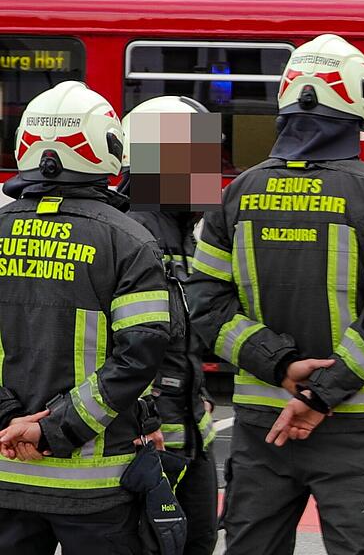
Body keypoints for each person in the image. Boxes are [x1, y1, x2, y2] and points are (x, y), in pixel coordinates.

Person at [186, 34, 364, 555]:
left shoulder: (237, 193)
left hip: (260, 422)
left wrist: (281, 365)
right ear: (360, 105)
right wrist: (323, 393)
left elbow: (204, 303)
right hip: (351, 421)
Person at [0, 81, 170, 554]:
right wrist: (53, 431)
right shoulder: (130, 241)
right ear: (107, 149)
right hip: (95, 491)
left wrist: (12, 422)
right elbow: (138, 358)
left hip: (5, 470)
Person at [119, 95, 220, 555]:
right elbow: (128, 341)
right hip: (153, 438)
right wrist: (146, 417)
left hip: (187, 434)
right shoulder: (137, 229)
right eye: (196, 159)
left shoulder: (176, 229)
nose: (209, 173)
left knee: (194, 540)